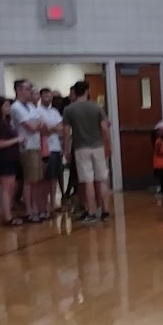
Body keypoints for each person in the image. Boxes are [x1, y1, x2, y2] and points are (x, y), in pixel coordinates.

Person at [62, 80, 113, 222]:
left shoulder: (69, 109)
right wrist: (108, 145)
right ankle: (105, 211)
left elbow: (66, 132)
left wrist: (66, 150)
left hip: (81, 148)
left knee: (87, 181)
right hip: (98, 146)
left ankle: (90, 212)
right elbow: (105, 128)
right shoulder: (96, 107)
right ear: (87, 91)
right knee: (102, 179)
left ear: (74, 92)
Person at [10, 79, 45, 222]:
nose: (30, 91)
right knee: (29, 180)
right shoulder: (16, 107)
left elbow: (41, 123)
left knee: (36, 180)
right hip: (26, 147)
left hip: (36, 145)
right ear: (18, 90)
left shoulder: (31, 106)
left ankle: (35, 208)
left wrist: (36, 124)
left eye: (31, 88)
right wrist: (36, 123)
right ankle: (28, 210)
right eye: (27, 89)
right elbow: (30, 126)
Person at [0, 97, 23, 226]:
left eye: (9, 106)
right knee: (7, 187)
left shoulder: (7, 122)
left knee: (12, 186)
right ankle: (7, 217)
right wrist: (17, 140)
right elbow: (0, 143)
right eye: (6, 106)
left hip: (11, 157)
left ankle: (8, 212)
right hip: (4, 158)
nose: (8, 108)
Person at [38, 88, 64, 216]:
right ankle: (44, 203)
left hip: (56, 147)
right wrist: (53, 128)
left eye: (50, 96)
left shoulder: (54, 111)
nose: (48, 98)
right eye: (46, 96)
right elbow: (43, 130)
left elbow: (61, 127)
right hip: (46, 149)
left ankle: (54, 202)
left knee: (54, 177)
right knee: (46, 178)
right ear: (41, 97)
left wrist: (52, 128)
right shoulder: (38, 111)